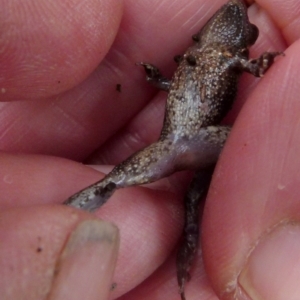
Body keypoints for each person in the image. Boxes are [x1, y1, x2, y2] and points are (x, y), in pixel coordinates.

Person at [0, 0, 298, 299]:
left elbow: (249, 67)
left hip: (199, 137)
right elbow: (180, 85)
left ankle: (195, 252)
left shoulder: (229, 58)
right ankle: (65, 215)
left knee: (202, 184)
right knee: (123, 181)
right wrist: (158, 79)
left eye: (247, 31)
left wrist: (258, 64)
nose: (233, 13)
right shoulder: (197, 57)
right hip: (173, 141)